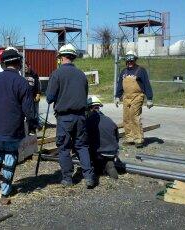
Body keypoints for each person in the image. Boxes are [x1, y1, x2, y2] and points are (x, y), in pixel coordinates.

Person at [0, 49, 35, 205]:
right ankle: (5, 190)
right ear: (18, 63)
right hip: (13, 128)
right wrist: (32, 124)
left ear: (3, 63)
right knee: (10, 156)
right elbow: (29, 109)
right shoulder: (22, 82)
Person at [46, 43, 95, 188]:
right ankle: (89, 177)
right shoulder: (81, 74)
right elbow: (85, 95)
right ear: (73, 57)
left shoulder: (57, 74)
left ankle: (67, 179)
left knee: (64, 148)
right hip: (80, 116)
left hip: (64, 117)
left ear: (61, 57)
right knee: (82, 146)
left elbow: (49, 97)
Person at [115, 50, 153, 148]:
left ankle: (138, 139)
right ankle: (130, 138)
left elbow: (146, 84)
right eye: (128, 61)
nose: (130, 63)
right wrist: (117, 96)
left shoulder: (141, 70)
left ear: (135, 60)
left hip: (137, 96)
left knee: (134, 117)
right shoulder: (123, 71)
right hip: (126, 97)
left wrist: (149, 98)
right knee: (126, 118)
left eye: (131, 61)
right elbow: (120, 85)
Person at [86, 96, 119, 179]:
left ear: (89, 109)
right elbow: (117, 137)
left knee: (84, 148)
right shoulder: (109, 119)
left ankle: (98, 168)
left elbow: (85, 138)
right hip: (113, 150)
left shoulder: (89, 121)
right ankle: (108, 163)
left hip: (100, 151)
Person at [24, 63, 42, 132]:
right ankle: (28, 127)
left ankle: (36, 126)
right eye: (24, 67)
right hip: (25, 97)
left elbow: (38, 85)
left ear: (29, 66)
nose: (25, 68)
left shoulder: (34, 74)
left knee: (35, 113)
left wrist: (38, 94)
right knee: (28, 113)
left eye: (26, 67)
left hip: (33, 96)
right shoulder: (21, 74)